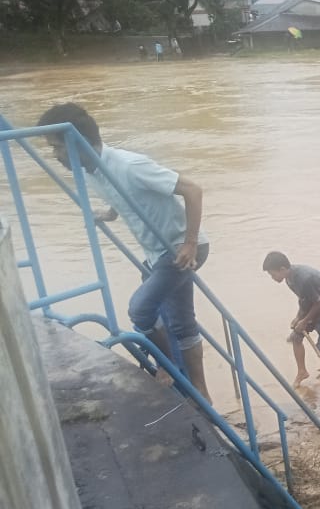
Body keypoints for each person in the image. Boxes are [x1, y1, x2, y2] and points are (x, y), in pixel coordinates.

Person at [37, 102, 212, 402]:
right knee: (182, 322)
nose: (55, 155)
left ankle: (168, 366)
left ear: (77, 141)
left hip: (178, 248)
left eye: (57, 147)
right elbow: (123, 195)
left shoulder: (130, 165)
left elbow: (193, 190)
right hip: (156, 254)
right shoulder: (91, 171)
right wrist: (109, 213)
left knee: (140, 309)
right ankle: (202, 394)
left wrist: (190, 243)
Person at [262, 251, 320, 387]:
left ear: (282, 269)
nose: (272, 278)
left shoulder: (304, 279)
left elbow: (319, 302)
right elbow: (304, 300)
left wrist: (305, 321)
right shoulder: (289, 279)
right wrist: (298, 317)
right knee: (296, 337)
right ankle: (302, 371)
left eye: (273, 274)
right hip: (316, 307)